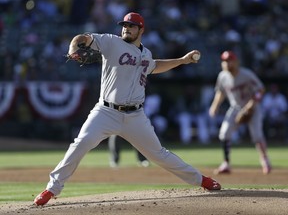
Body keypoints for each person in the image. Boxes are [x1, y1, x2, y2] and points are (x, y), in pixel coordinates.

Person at [34, 12, 221, 206]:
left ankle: (202, 180)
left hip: (135, 116)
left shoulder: (146, 54)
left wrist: (182, 60)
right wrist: (74, 48)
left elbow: (155, 66)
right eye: (124, 25)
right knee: (80, 145)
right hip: (106, 111)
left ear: (141, 30)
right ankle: (51, 189)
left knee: (159, 154)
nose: (126, 28)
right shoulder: (111, 42)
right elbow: (83, 38)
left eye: (131, 26)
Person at [209, 50, 272, 175]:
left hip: (253, 107)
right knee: (224, 133)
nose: (227, 63)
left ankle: (265, 160)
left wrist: (250, 106)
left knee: (257, 135)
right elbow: (220, 92)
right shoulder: (222, 76)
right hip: (235, 107)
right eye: (224, 61)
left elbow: (260, 90)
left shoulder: (246, 74)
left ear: (236, 62)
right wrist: (215, 106)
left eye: (229, 60)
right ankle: (226, 163)